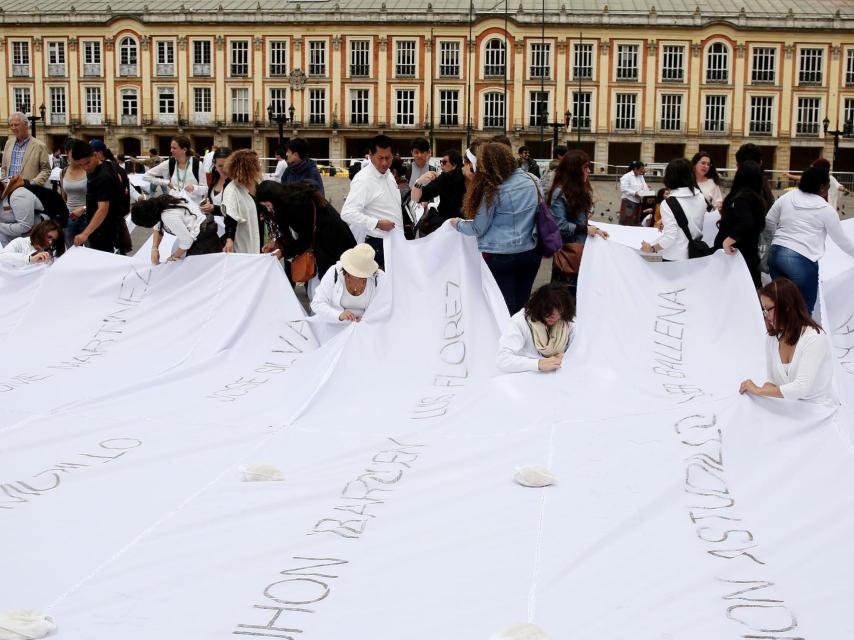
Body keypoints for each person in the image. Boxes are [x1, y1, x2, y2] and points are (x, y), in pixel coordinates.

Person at [449, 142, 540, 315]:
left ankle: (506, 340)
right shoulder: (532, 180)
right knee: (522, 307)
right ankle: (521, 338)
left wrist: (457, 223)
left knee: (503, 308)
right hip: (530, 251)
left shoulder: (493, 191)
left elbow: (477, 228)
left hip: (501, 255)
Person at [764, 165, 854, 314]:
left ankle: (781, 336)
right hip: (801, 260)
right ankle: (800, 337)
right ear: (822, 187)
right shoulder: (825, 209)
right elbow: (842, 241)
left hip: (775, 255)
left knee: (781, 307)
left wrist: (777, 238)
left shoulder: (788, 197)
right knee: (803, 311)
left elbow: (769, 220)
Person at [739, 278, 837, 407]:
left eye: (769, 309)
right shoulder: (772, 338)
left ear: (786, 307)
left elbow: (801, 387)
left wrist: (758, 390)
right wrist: (759, 398)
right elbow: (772, 381)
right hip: (789, 410)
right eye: (764, 310)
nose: (767, 316)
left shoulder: (814, 337)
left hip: (819, 412)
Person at [256, 180, 356, 292]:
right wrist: (277, 243)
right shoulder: (291, 198)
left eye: (268, 205)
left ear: (275, 199)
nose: (268, 209)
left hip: (332, 246)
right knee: (324, 288)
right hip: (332, 243)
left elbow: (305, 240)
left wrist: (283, 252)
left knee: (329, 288)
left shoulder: (296, 206)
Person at [546, 150, 609, 287]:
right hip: (569, 253)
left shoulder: (580, 190)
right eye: (585, 167)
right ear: (574, 170)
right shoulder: (560, 192)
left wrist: (595, 229)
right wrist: (585, 229)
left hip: (583, 251)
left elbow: (580, 220)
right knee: (565, 297)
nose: (589, 171)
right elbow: (559, 226)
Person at [339, 134, 401, 269]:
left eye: (388, 158)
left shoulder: (388, 174)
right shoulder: (364, 179)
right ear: (370, 155)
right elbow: (347, 213)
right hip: (377, 244)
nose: (385, 163)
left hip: (393, 242)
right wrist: (377, 223)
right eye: (380, 158)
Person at [497, 283, 576, 373]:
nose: (554, 317)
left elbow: (581, 350)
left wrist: (566, 356)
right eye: (548, 312)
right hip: (528, 376)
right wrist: (538, 364)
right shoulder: (519, 321)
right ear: (538, 306)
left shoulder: (567, 320)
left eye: (559, 313)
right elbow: (502, 360)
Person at [640, 158, 707, 261]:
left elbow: (670, 237)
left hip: (675, 257)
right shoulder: (701, 196)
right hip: (696, 254)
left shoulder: (668, 203)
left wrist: (651, 248)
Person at [714, 161, 768, 288]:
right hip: (748, 254)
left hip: (736, 255)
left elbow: (746, 222)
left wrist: (727, 242)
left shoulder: (742, 199)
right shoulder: (756, 199)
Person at [131, 194, 221, 263]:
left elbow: (186, 241)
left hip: (204, 241)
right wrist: (155, 248)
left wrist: (174, 257)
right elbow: (157, 227)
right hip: (203, 232)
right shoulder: (160, 203)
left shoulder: (168, 216)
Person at [68, 140, 122, 252]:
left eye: (87, 162)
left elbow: (103, 208)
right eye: (81, 165)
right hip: (102, 228)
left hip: (102, 231)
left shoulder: (103, 176)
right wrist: (84, 209)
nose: (86, 168)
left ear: (96, 155)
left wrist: (85, 234)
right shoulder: (104, 166)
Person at [310, 243, 386, 323]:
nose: (359, 276)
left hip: (366, 328)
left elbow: (385, 306)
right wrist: (339, 315)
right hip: (334, 326)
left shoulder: (379, 277)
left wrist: (367, 319)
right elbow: (317, 303)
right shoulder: (334, 272)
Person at [410, 149, 466, 235]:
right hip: (465, 225)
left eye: (444, 162)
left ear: (454, 165)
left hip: (447, 224)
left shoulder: (445, 178)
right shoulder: (468, 177)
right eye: (441, 162)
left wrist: (419, 182)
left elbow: (418, 198)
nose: (441, 165)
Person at [221, 149, 262, 254]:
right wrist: (229, 239)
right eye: (257, 163)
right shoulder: (232, 190)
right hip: (244, 238)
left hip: (262, 236)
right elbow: (230, 217)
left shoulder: (259, 184)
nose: (260, 166)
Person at [142, 135, 206, 202]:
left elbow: (205, 189)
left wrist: (194, 188)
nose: (171, 150)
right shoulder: (169, 163)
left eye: (174, 148)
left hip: (193, 208)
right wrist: (166, 182)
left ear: (184, 150)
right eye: (171, 147)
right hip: (175, 206)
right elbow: (146, 176)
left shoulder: (197, 164)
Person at [1, 113, 51, 186]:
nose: (13, 128)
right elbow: (4, 168)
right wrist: (4, 183)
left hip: (29, 191)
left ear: (26, 125)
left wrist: (33, 183)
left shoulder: (39, 146)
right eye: (11, 125)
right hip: (9, 190)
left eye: (16, 125)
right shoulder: (8, 144)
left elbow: (46, 170)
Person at [0, 176, 47, 246]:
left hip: (30, 241)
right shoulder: (2, 195)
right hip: (10, 242)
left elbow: (25, 226)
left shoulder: (18, 195)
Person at [60, 138, 88, 248]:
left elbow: (96, 198)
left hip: (88, 217)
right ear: (66, 153)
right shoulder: (63, 172)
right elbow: (64, 196)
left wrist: (84, 208)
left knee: (91, 251)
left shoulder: (88, 170)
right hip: (70, 217)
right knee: (72, 252)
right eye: (74, 153)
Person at [201, 146, 232, 220]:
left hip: (230, 228)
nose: (224, 169)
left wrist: (214, 208)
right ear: (214, 164)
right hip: (214, 227)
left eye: (227, 165)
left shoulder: (238, 181)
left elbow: (236, 211)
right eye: (220, 166)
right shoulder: (214, 178)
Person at [619, 160, 649, 226]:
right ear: (635, 169)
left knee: (635, 220)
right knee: (627, 220)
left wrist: (647, 190)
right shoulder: (627, 176)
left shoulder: (640, 176)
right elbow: (623, 189)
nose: (642, 172)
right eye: (641, 170)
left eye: (642, 170)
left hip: (638, 201)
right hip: (628, 201)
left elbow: (644, 185)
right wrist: (634, 193)